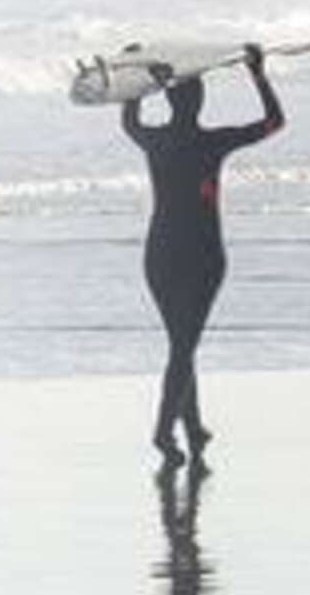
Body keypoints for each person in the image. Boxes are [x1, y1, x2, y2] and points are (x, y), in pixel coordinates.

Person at [121, 43, 284, 467]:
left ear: (170, 99)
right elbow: (274, 122)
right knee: (184, 344)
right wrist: (258, 72)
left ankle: (192, 428)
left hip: (158, 252)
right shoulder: (213, 142)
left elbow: (128, 120)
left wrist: (137, 80)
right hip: (203, 253)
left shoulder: (154, 141)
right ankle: (162, 430)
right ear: (201, 102)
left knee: (181, 342)